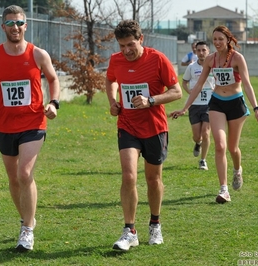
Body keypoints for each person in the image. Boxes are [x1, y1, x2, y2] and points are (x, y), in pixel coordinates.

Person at [0, 5, 60, 251]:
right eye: (10, 23)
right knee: (13, 178)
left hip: (33, 123)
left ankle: (27, 230)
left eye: (19, 23)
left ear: (26, 25)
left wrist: (53, 103)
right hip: (5, 125)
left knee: (24, 173)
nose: (15, 27)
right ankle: (27, 218)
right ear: (3, 27)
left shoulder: (38, 54)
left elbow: (53, 79)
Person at [170, 25, 258, 204]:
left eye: (220, 39)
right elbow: (198, 85)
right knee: (220, 146)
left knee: (232, 148)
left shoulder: (238, 58)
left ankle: (237, 170)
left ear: (228, 40)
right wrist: (185, 108)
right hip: (216, 103)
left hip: (236, 104)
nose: (217, 43)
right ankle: (224, 189)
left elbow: (247, 84)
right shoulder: (210, 60)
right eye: (214, 39)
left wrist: (256, 108)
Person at [106, 19, 182, 251]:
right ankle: (129, 230)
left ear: (141, 39)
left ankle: (155, 223)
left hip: (155, 128)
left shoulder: (158, 59)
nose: (126, 50)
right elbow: (110, 79)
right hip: (127, 125)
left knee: (153, 179)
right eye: (121, 46)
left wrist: (151, 100)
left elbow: (177, 92)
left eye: (130, 44)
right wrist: (112, 101)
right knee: (129, 176)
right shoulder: (115, 60)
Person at [172, 41, 214, 170]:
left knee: (206, 133)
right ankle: (198, 143)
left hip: (210, 104)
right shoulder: (191, 67)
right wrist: (190, 92)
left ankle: (203, 160)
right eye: (198, 50)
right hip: (195, 105)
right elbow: (184, 82)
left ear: (208, 51)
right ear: (195, 52)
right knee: (197, 136)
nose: (201, 53)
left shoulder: (214, 66)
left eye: (204, 50)